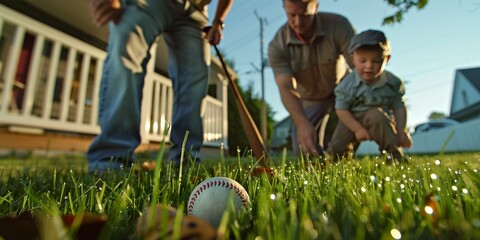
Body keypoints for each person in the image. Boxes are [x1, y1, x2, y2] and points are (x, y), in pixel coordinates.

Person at [86, 0, 233, 172]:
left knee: (195, 79)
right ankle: (111, 160)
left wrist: (218, 22)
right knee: (127, 47)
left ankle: (186, 163)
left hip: (196, 11)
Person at [268, 0, 355, 157]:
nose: (298, 22)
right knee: (303, 149)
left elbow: (360, 69)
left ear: (316, 7)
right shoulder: (277, 46)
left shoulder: (339, 25)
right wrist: (302, 123)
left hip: (342, 88)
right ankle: (319, 158)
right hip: (311, 98)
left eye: (304, 15)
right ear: (284, 8)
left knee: (366, 104)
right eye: (292, 15)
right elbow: (286, 87)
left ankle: (340, 152)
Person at [327, 29, 413, 163]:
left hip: (380, 120)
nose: (369, 66)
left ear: (387, 59)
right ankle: (337, 162)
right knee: (337, 146)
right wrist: (358, 129)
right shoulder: (346, 85)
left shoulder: (393, 83)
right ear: (352, 59)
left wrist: (402, 131)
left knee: (377, 116)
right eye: (362, 61)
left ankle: (395, 157)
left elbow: (399, 106)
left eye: (376, 61)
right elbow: (341, 110)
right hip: (351, 119)